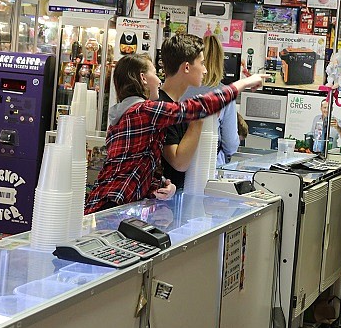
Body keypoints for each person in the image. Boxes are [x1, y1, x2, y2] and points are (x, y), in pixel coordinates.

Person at [84, 53, 263, 214]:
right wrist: (244, 83)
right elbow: (198, 107)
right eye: (155, 73)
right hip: (112, 206)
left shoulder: (127, 114)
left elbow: (134, 165)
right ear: (143, 78)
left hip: (110, 203)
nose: (159, 80)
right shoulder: (144, 111)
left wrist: (160, 186)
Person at [157, 34, 207, 190]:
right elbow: (179, 163)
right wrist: (198, 121)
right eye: (202, 63)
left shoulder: (175, 106)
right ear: (186, 67)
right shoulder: (162, 108)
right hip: (160, 206)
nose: (205, 70)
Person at [181, 35, 240, 166]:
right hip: (211, 164)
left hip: (179, 164)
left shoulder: (180, 90)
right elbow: (230, 145)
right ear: (220, 61)